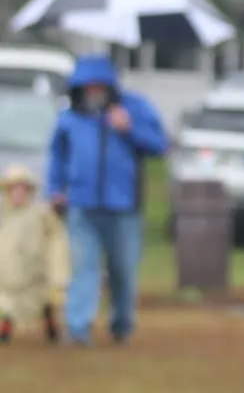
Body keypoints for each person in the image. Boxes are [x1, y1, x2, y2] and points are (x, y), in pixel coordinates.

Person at [46, 54, 168, 345]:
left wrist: (129, 129)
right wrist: (55, 189)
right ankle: (78, 328)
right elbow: (57, 157)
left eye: (99, 86)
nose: (94, 92)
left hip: (124, 207)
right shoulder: (69, 117)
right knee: (84, 267)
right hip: (82, 206)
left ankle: (122, 324)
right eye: (88, 87)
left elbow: (159, 146)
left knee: (122, 270)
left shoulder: (134, 108)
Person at [0, 165, 69, 343]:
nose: (18, 193)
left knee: (44, 301)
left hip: (36, 275)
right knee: (7, 304)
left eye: (22, 188)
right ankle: (5, 328)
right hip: (9, 276)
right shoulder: (4, 216)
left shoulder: (42, 214)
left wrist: (57, 270)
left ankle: (51, 323)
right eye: (14, 188)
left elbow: (57, 238)